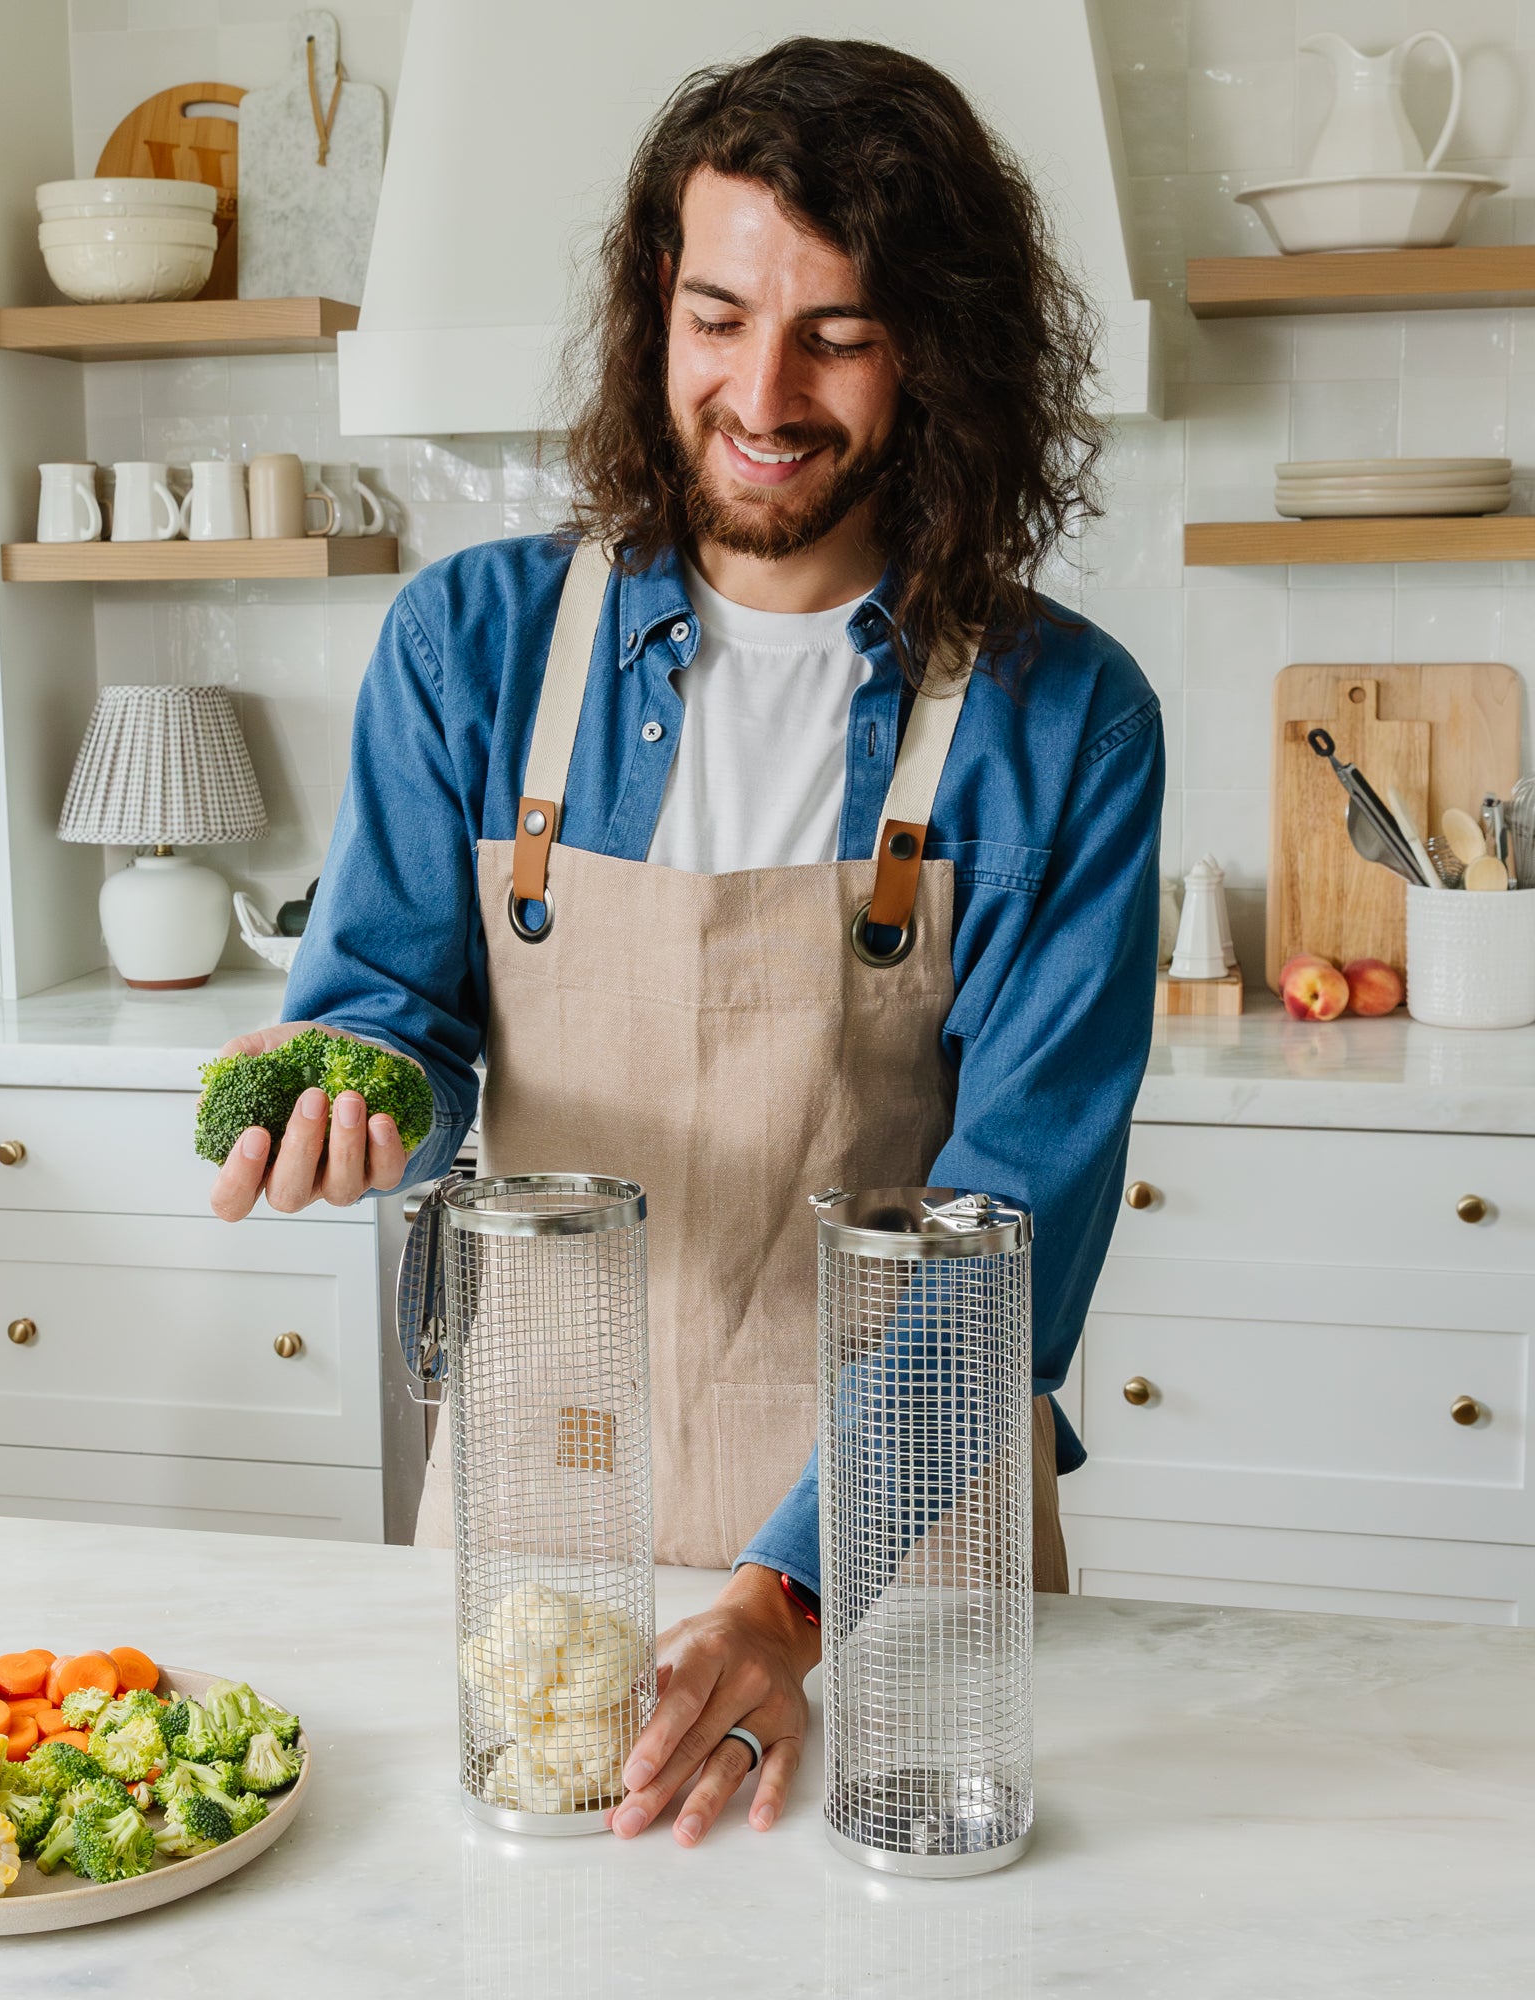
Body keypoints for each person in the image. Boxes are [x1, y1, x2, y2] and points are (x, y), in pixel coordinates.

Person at [209, 39, 1162, 1848]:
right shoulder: (471, 647)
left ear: (939, 354)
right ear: (659, 300)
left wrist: (786, 1595)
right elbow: (389, 1016)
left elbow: (1008, 1227)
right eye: (720, 316)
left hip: (903, 1564)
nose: (764, 391)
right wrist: (337, 1098)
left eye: (841, 334)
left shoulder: (1069, 722)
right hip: (537, 1532)